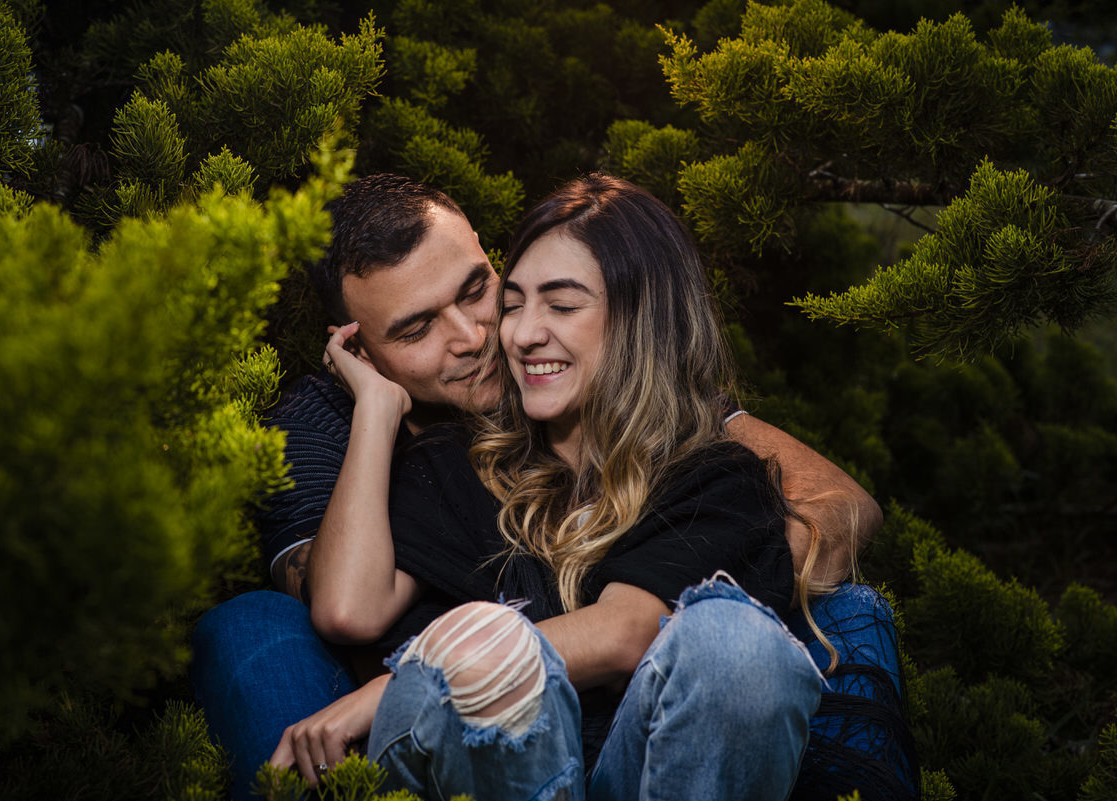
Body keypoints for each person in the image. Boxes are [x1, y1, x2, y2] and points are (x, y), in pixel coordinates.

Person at [190, 174, 900, 800]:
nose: (480, 336)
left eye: (478, 290)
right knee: (254, 624)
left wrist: (742, 579)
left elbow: (835, 505)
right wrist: (378, 412)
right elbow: (344, 610)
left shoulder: (636, 413)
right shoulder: (350, 432)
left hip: (632, 707)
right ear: (359, 348)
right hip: (420, 717)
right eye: (416, 329)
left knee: (762, 633)